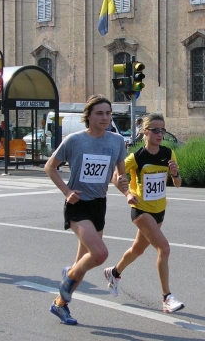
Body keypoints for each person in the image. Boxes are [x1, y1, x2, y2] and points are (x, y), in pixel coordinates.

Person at [44, 95, 135, 325]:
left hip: (99, 204)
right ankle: (68, 278)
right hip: (77, 204)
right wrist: (67, 192)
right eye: (99, 113)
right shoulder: (74, 140)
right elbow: (50, 167)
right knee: (100, 254)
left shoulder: (116, 141)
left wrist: (124, 187)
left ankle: (60, 304)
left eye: (108, 113)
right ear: (89, 116)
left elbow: (118, 174)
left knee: (82, 263)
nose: (105, 118)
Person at [104, 112, 184, 313]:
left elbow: (178, 184)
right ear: (145, 132)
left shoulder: (168, 153)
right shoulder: (137, 157)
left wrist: (175, 173)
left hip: (159, 211)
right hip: (141, 210)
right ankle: (167, 297)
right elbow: (115, 176)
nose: (160, 134)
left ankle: (114, 272)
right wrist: (127, 193)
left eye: (162, 130)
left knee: (137, 250)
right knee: (164, 249)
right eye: (155, 130)